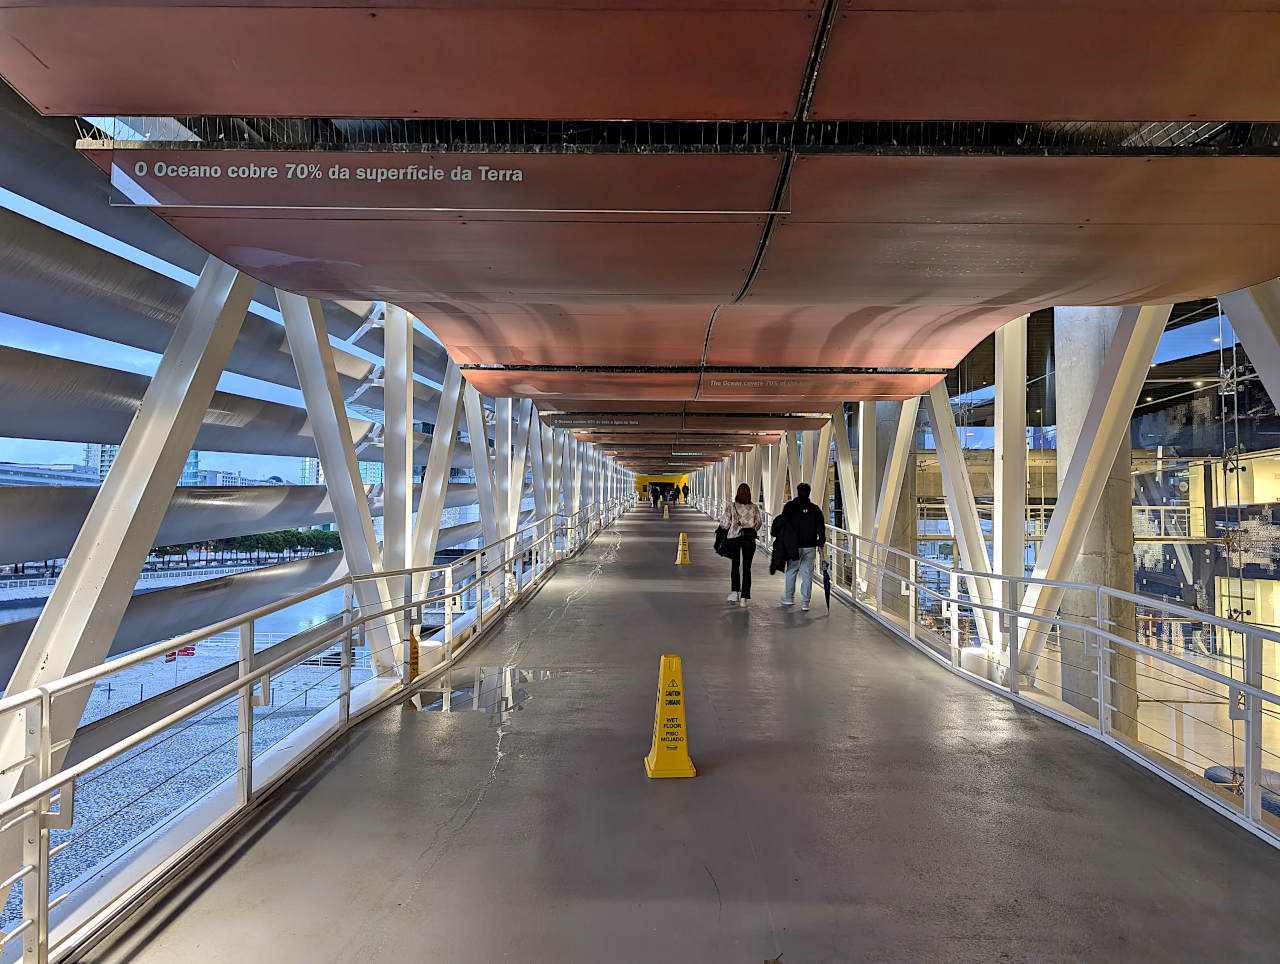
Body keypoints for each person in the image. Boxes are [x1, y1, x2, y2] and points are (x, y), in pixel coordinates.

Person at [773, 482, 827, 612]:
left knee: (791, 571)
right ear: (809, 493)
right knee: (807, 574)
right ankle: (805, 603)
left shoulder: (790, 507)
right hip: (810, 546)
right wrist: (820, 543)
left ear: (797, 492)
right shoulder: (815, 509)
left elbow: (782, 522)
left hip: (793, 546)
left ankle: (789, 598)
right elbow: (821, 527)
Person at [718, 482, 763, 607]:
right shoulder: (754, 507)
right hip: (749, 539)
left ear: (737, 493)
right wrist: (750, 527)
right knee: (747, 568)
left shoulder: (732, 506)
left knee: (735, 565)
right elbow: (759, 523)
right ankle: (744, 598)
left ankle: (735, 593)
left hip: (734, 539)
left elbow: (725, 524)